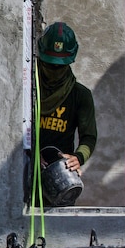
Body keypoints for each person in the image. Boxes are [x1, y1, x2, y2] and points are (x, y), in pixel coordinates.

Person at [34, 21, 97, 206]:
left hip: (59, 180)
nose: (54, 71)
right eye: (49, 65)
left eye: (59, 66)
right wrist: (29, 156)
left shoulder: (80, 95)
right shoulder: (28, 89)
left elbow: (89, 137)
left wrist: (78, 158)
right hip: (23, 176)